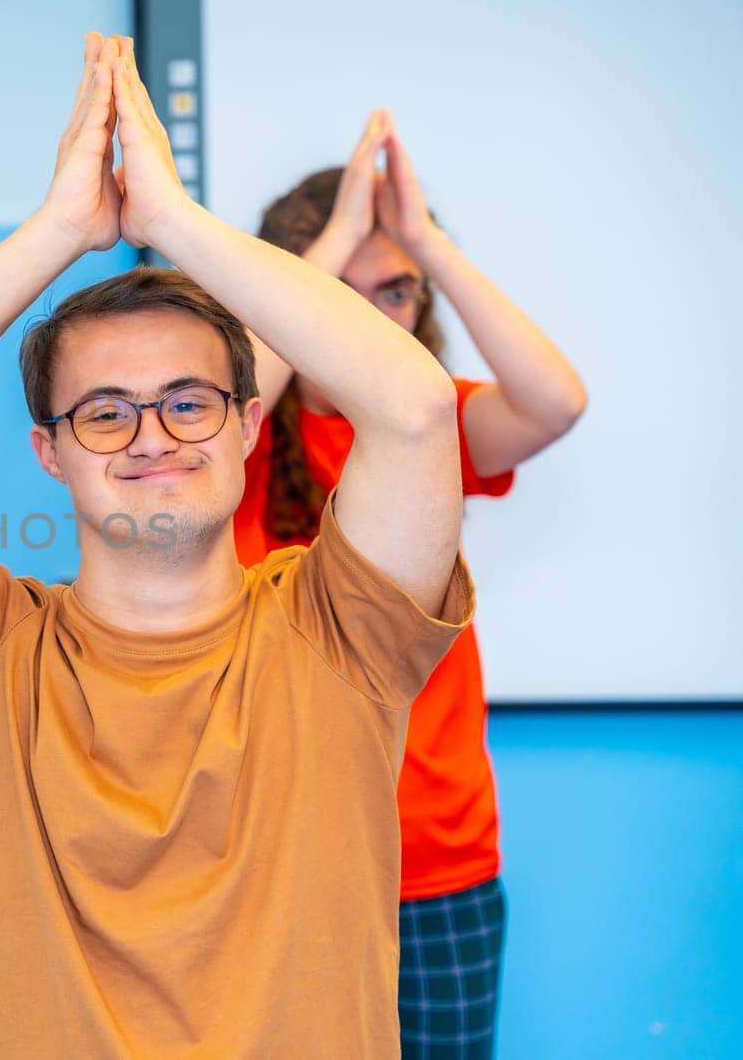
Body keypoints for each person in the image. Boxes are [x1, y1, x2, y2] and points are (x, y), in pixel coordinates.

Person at [0, 33, 472, 1057]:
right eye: (104, 412)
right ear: (49, 453)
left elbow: (416, 408)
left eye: (188, 402)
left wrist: (173, 222)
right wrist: (59, 229)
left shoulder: (344, 632)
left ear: (250, 426)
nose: (152, 434)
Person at [240, 109, 587, 1059]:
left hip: (438, 861)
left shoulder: (436, 432)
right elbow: (218, 424)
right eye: (337, 294)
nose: (369, 319)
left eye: (395, 294)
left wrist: (427, 241)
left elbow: (554, 402)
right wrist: (333, 245)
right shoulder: (223, 443)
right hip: (276, 857)